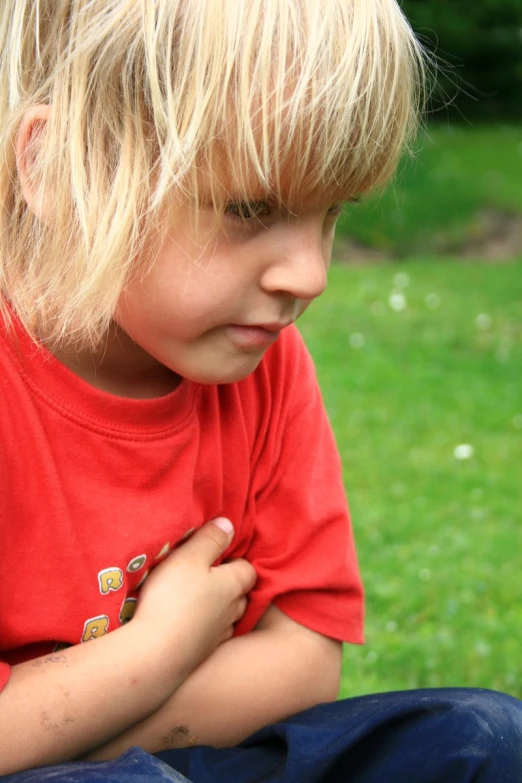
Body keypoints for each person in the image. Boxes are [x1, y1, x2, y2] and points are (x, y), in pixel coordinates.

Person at [0, 1, 521, 781]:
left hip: (201, 761)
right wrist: (155, 650)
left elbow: (304, 660)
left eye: (330, 214)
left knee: (487, 736)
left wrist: (57, 719)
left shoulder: (266, 364)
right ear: (57, 169)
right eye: (250, 209)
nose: (309, 276)